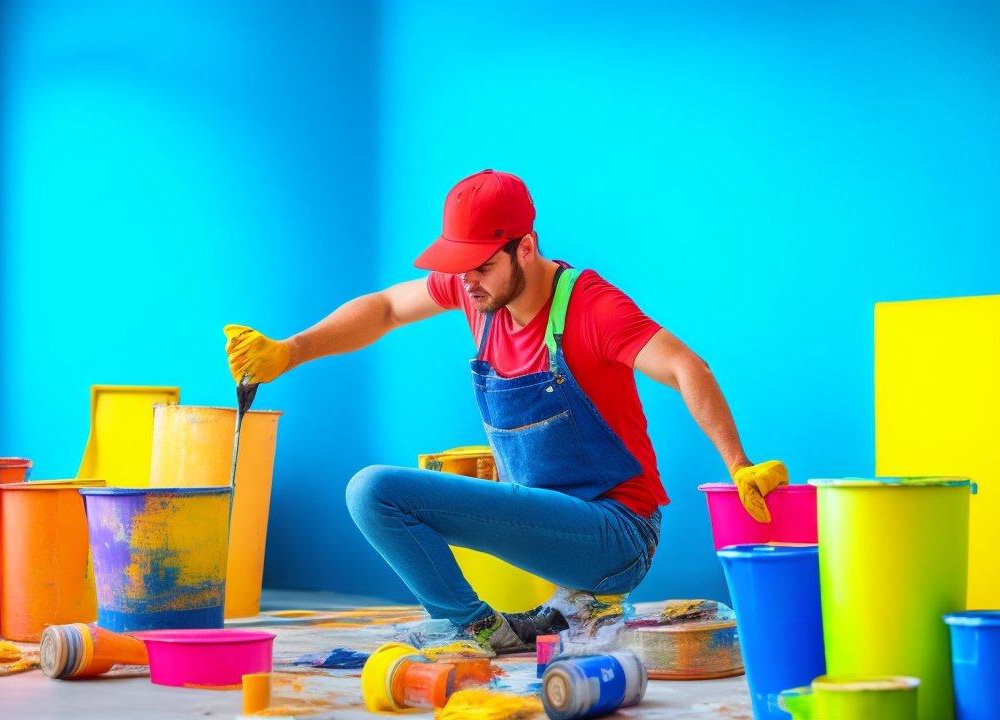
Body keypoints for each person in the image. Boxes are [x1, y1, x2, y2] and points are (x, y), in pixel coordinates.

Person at [224, 169, 788, 655]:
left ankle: (471, 629)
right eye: (459, 268)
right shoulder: (480, 292)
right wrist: (290, 351)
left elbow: (687, 366)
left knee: (376, 486)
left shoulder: (591, 308)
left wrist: (738, 464)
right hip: (548, 530)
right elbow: (388, 307)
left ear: (525, 247)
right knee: (370, 494)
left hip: (615, 536)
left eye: (480, 267)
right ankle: (482, 626)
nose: (466, 284)